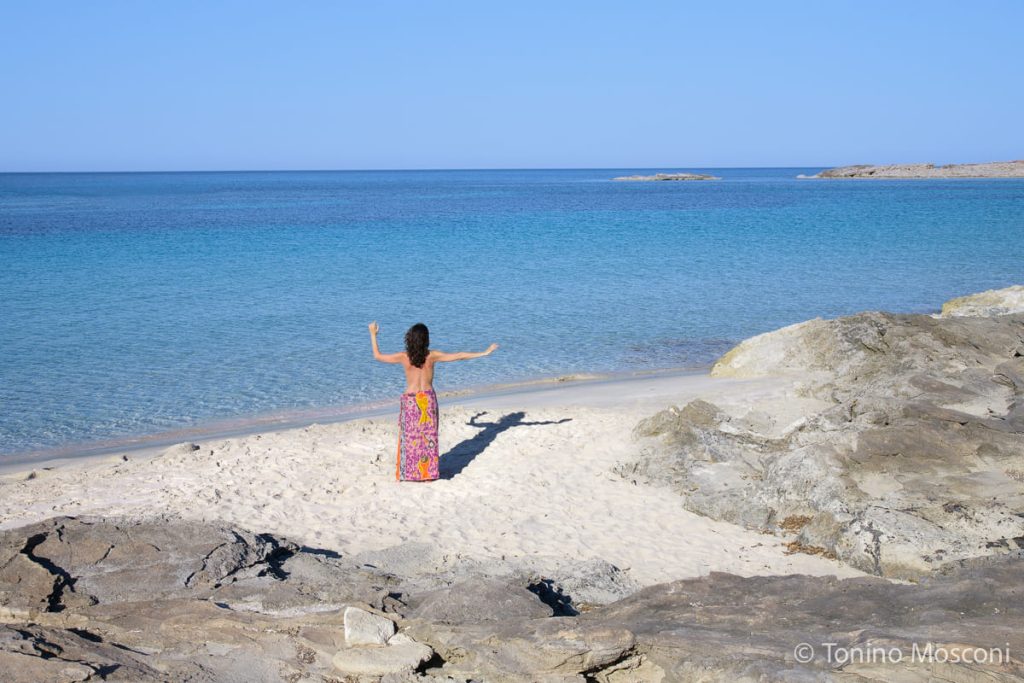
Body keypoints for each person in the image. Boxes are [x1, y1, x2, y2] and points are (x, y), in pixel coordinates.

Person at [368, 322, 498, 481]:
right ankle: (428, 473)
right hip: (428, 399)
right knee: (428, 437)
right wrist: (484, 353)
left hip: (411, 400)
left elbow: (378, 356)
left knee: (410, 437)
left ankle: (410, 473)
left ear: (410, 339)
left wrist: (373, 334)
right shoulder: (432, 356)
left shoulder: (404, 357)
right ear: (426, 339)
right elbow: (459, 355)